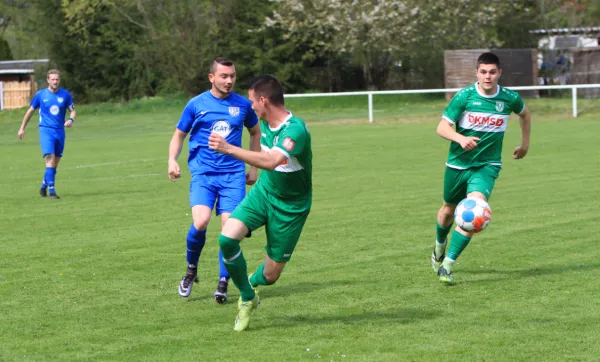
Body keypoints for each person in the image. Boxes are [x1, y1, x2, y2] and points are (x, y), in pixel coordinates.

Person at [208, 75, 312, 332]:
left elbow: (271, 161)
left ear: (264, 101)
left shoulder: (295, 130)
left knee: (270, 275)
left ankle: (253, 283)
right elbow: (259, 152)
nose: (250, 105)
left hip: (292, 207)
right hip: (264, 193)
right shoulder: (262, 120)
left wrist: (228, 148)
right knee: (227, 238)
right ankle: (246, 296)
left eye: (253, 100)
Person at [431, 52, 531, 285]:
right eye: (484, 72)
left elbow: (525, 114)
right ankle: (439, 247)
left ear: (499, 73)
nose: (488, 76)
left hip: (487, 166)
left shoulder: (509, 98)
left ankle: (448, 264)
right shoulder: (464, 97)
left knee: (474, 210)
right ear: (477, 73)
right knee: (448, 209)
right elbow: (441, 128)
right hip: (458, 164)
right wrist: (459, 138)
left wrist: (525, 144)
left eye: (492, 72)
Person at [168, 57, 261, 303]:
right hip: (203, 174)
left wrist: (254, 167)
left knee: (230, 232)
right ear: (212, 78)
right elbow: (179, 135)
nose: (229, 80)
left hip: (233, 176)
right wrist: (171, 160)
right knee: (200, 222)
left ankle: (223, 281)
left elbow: (255, 132)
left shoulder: (242, 105)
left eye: (232, 76)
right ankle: (191, 270)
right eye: (224, 76)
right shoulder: (196, 104)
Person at [18, 69, 76, 199]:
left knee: (55, 164)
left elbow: (72, 111)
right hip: (45, 131)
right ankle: (52, 191)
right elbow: (30, 112)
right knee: (49, 160)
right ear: (48, 80)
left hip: (60, 132)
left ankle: (44, 186)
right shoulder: (41, 95)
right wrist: (22, 128)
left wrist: (71, 120)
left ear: (59, 80)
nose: (55, 81)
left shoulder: (65, 95)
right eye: (53, 79)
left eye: (57, 79)